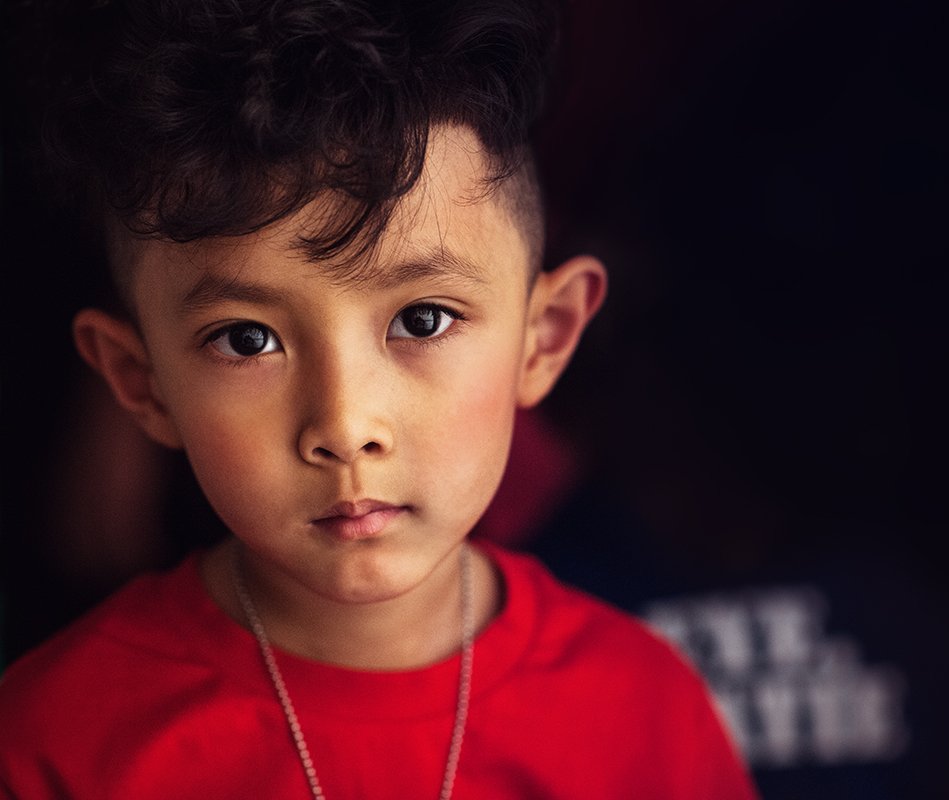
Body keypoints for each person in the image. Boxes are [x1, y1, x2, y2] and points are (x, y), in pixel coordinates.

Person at [0, 1, 759, 798]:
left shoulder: (643, 714)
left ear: (543, 338)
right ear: (141, 381)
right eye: (247, 340)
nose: (345, 426)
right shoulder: (55, 745)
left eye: (422, 320)